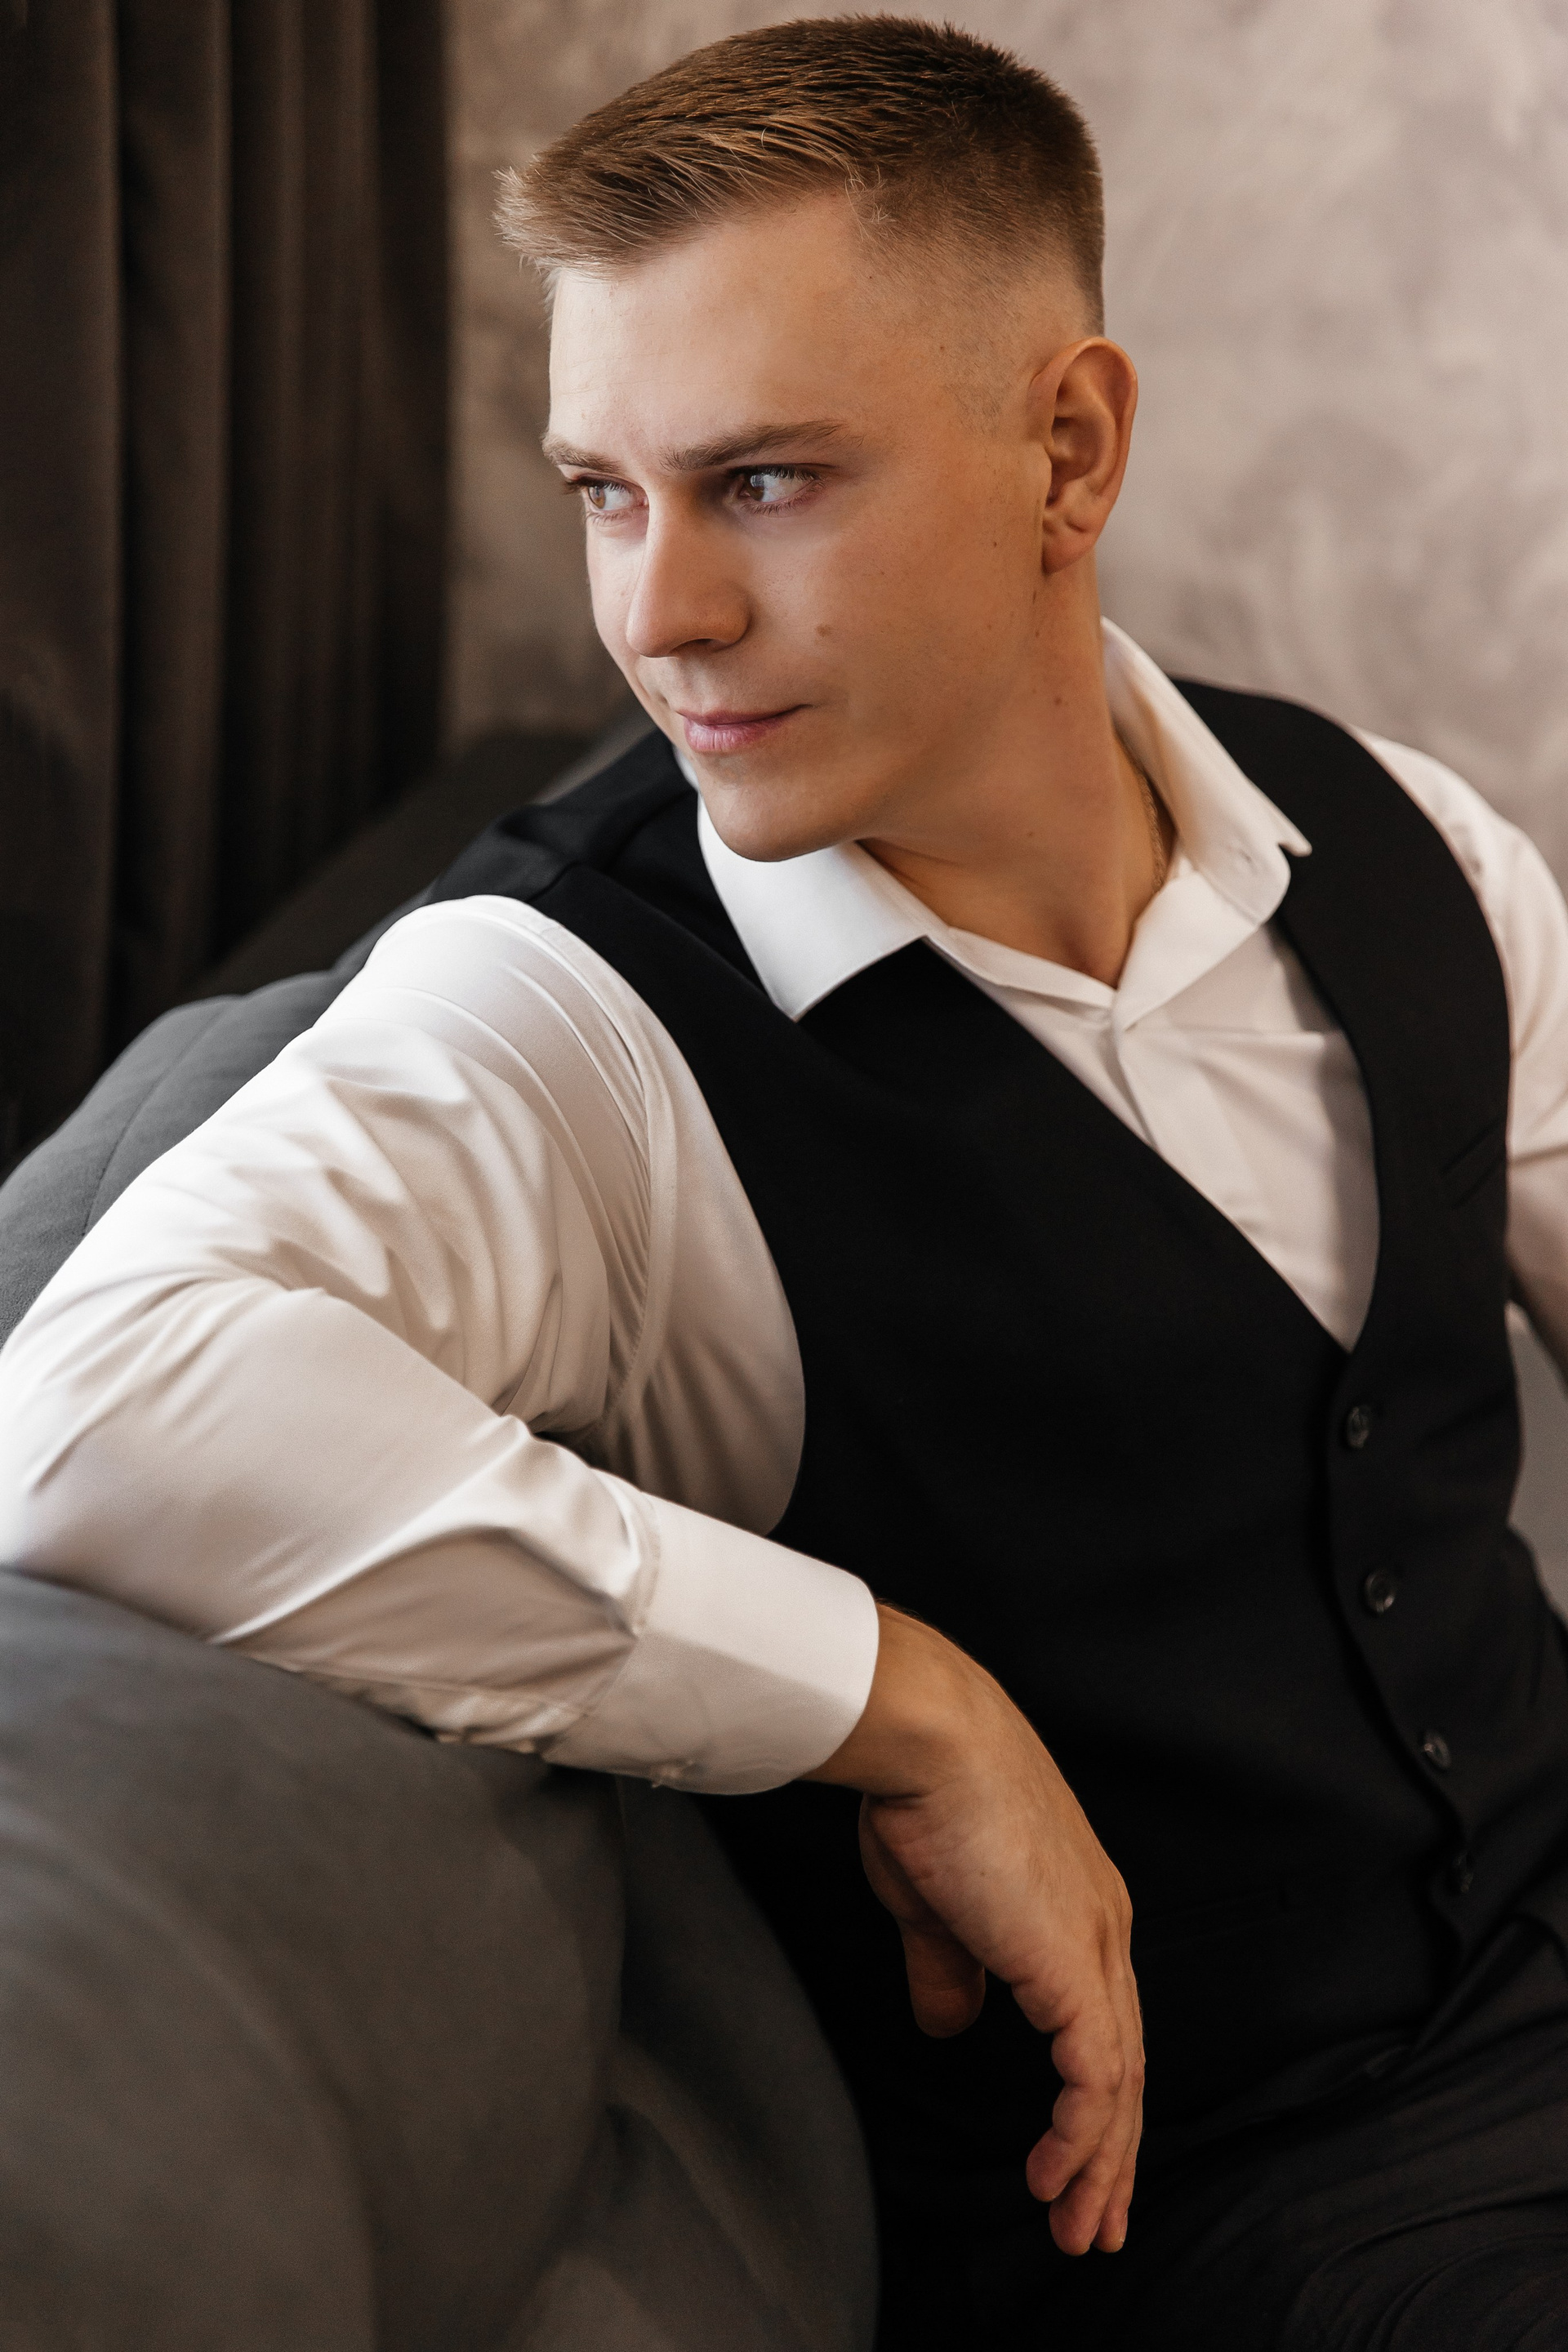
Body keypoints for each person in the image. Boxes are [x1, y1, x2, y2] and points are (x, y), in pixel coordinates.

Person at [5, 16, 1568, 2345]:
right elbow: (92, 1423)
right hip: (1228, 2212)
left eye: (759, 482)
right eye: (602, 493)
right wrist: (893, 1694)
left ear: (1069, 447)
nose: (657, 617)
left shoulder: (1413, 839)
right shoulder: (565, 1020)